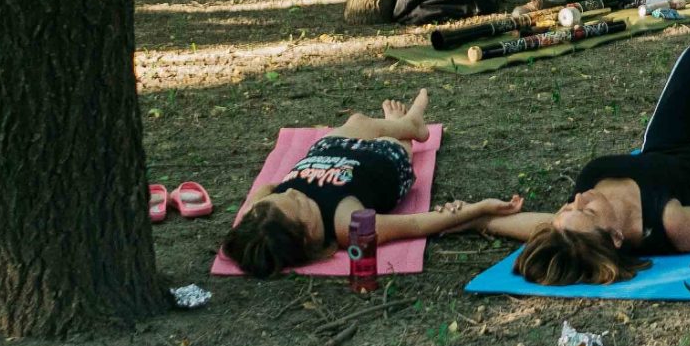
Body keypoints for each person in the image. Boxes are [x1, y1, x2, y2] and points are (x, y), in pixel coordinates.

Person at [478, 38, 690, 286]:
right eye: (587, 211)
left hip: (669, 152)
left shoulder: (574, 229)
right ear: (617, 237)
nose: (578, 199)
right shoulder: (672, 223)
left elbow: (541, 226)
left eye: (567, 209)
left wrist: (475, 217)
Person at [219, 90, 518, 278]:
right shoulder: (346, 223)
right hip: (382, 161)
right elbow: (415, 225)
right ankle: (405, 133)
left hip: (329, 151)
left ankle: (406, 124)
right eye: (297, 202)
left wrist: (258, 213)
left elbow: (262, 195)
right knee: (393, 144)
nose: (293, 191)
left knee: (357, 119)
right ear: (309, 231)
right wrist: (478, 208)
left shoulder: (270, 208)